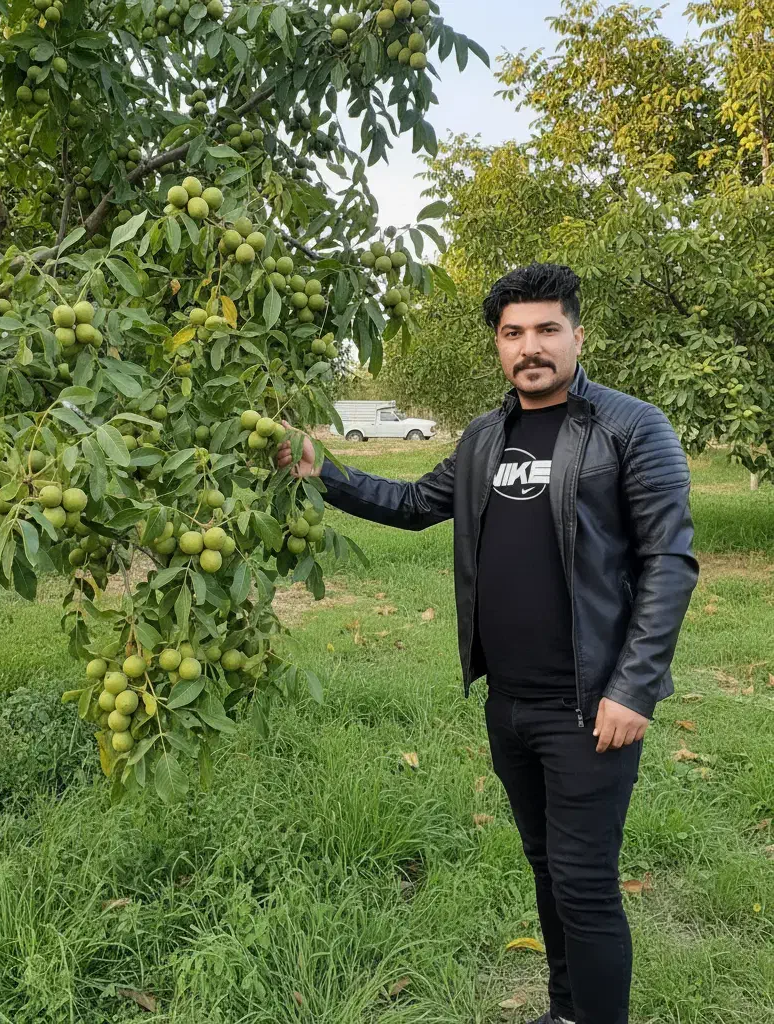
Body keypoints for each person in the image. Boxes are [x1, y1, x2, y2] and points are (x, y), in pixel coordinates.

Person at [277, 263, 698, 1024]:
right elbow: (410, 503)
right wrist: (324, 471)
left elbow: (670, 560)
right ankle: (568, 1011)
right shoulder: (483, 438)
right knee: (548, 870)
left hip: (589, 708)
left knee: (585, 884)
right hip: (509, 706)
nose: (529, 347)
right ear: (498, 345)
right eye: (513, 333)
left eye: (546, 329)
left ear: (577, 333)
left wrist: (633, 689)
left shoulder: (633, 427)